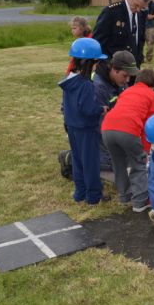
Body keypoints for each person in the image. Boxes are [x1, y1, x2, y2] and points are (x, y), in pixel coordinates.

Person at [101, 68, 154, 212]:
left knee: (118, 164)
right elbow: (148, 124)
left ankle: (124, 196)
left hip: (106, 128)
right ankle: (140, 202)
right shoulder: (151, 95)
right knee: (138, 164)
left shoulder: (126, 91)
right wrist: (146, 150)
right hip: (127, 130)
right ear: (153, 85)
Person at [59, 37, 109, 205]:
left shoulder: (69, 79)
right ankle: (94, 196)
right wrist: (101, 109)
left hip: (72, 126)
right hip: (87, 129)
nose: (97, 66)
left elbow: (69, 106)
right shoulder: (86, 85)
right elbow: (88, 110)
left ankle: (80, 193)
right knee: (91, 163)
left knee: (78, 160)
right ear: (89, 62)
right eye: (96, 62)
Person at [93, 51, 137, 171]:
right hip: (92, 128)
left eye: (130, 76)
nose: (127, 80)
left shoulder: (119, 81)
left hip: (109, 125)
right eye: (125, 75)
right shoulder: (98, 87)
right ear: (114, 69)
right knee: (113, 164)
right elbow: (98, 124)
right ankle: (72, 157)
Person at [93, 0, 152, 67]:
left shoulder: (142, 14)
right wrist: (107, 64)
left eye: (142, 7)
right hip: (113, 69)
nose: (138, 10)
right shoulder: (111, 12)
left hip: (133, 68)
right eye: (136, 5)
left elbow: (139, 40)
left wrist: (138, 60)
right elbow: (97, 42)